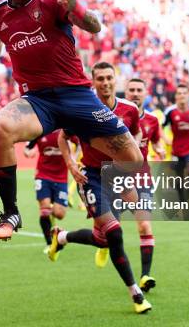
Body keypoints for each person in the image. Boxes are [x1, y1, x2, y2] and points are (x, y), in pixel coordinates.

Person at [0, 0, 143, 242]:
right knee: (0, 129)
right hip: (38, 100)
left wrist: (78, 8)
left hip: (77, 96)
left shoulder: (54, 2)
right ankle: (10, 212)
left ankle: (102, 207)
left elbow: (95, 26)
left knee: (133, 160)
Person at [53, 62, 151, 314]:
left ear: (115, 80)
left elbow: (136, 133)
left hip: (117, 176)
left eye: (109, 78)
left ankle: (61, 237)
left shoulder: (129, 109)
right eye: (100, 79)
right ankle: (136, 294)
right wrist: (71, 163)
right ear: (93, 81)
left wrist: (130, 161)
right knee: (114, 233)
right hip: (92, 177)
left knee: (102, 239)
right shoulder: (82, 109)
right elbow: (62, 136)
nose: (105, 83)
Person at [124, 77, 166, 292]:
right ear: (125, 91)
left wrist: (159, 149)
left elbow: (157, 139)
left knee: (144, 225)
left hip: (142, 179)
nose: (135, 93)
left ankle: (145, 275)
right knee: (104, 233)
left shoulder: (152, 120)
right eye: (131, 90)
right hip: (117, 177)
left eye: (139, 90)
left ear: (146, 93)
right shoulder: (116, 116)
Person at [23, 129, 69, 251]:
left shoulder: (66, 129)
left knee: (60, 214)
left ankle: (55, 226)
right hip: (43, 175)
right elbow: (27, 148)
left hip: (61, 178)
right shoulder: (40, 131)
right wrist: (29, 152)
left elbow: (79, 142)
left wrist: (73, 158)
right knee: (44, 209)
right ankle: (50, 243)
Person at [163, 84, 189, 202]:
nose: (182, 95)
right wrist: (165, 138)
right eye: (179, 93)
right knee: (179, 177)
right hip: (176, 150)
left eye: (184, 93)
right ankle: (182, 200)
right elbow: (160, 127)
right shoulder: (170, 111)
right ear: (176, 96)